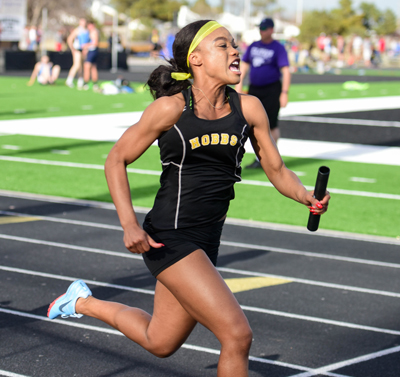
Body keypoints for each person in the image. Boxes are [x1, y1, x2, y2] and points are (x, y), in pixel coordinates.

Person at [47, 20, 330, 376]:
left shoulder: (249, 109)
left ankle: (81, 302)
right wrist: (128, 224)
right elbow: (115, 159)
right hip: (170, 236)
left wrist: (304, 194)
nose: (235, 51)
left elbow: (276, 170)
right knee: (237, 335)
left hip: (207, 240)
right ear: (196, 59)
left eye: (234, 45)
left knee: (160, 342)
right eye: (223, 45)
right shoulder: (172, 109)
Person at [235, 17, 291, 169]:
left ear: (272, 30)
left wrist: (284, 92)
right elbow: (244, 66)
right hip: (255, 89)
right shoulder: (254, 46)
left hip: (272, 89)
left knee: (271, 124)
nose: (262, 31)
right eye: (260, 28)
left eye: (265, 28)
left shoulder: (277, 48)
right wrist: (239, 86)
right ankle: (259, 157)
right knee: (251, 124)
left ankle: (271, 159)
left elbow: (285, 71)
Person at [65, 18, 90, 89]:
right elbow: (69, 39)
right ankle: (69, 80)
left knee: (81, 66)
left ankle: (80, 81)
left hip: (84, 50)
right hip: (77, 49)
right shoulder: (77, 30)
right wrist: (72, 48)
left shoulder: (87, 31)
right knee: (76, 65)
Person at [82, 21, 99, 91]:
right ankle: (95, 84)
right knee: (93, 67)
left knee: (87, 66)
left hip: (93, 51)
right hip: (92, 51)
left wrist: (86, 45)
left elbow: (95, 43)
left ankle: (85, 83)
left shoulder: (94, 32)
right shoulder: (90, 32)